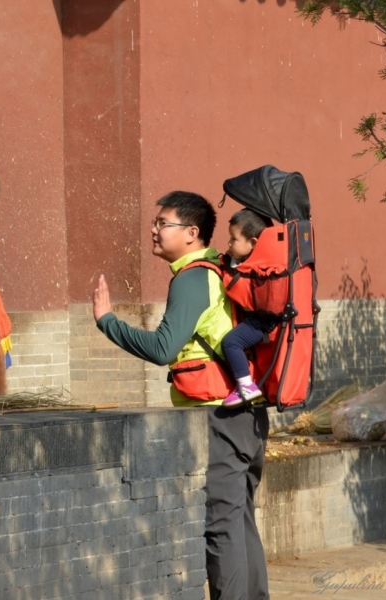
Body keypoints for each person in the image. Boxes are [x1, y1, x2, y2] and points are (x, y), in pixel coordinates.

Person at [92, 191, 270, 600]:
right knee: (240, 521)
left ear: (192, 233)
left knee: (222, 527)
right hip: (247, 413)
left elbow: (162, 349)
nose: (153, 230)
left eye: (163, 223)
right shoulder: (219, 270)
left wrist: (107, 322)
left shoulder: (193, 278)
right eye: (155, 222)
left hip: (220, 417)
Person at [221, 209, 276, 409]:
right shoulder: (264, 261)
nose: (229, 244)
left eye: (233, 239)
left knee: (231, 342)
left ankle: (246, 386)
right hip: (262, 320)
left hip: (260, 322)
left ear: (253, 243)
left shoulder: (253, 267)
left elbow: (235, 284)